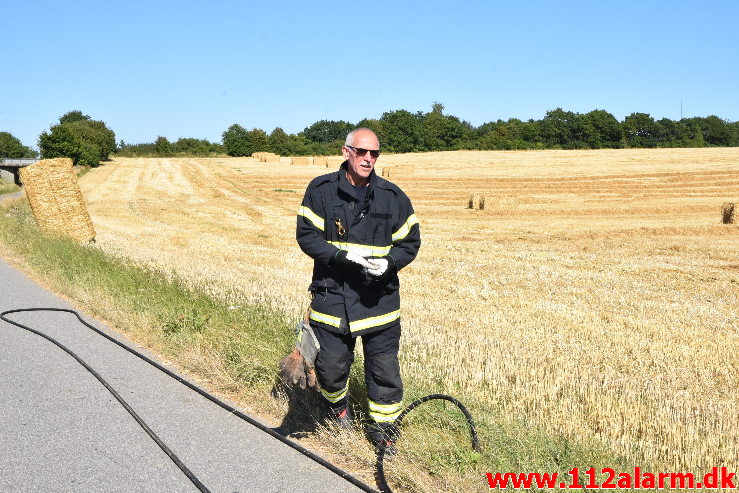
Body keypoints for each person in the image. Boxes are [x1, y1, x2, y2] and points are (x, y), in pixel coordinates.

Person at [295, 128, 420, 451]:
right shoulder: (320, 191)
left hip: (379, 300)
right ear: (346, 152)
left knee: (384, 371)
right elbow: (307, 236)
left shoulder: (393, 197)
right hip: (332, 294)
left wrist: (391, 262)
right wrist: (339, 255)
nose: (368, 158)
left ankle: (384, 430)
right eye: (362, 152)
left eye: (374, 153)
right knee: (331, 367)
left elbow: (410, 242)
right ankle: (338, 409)